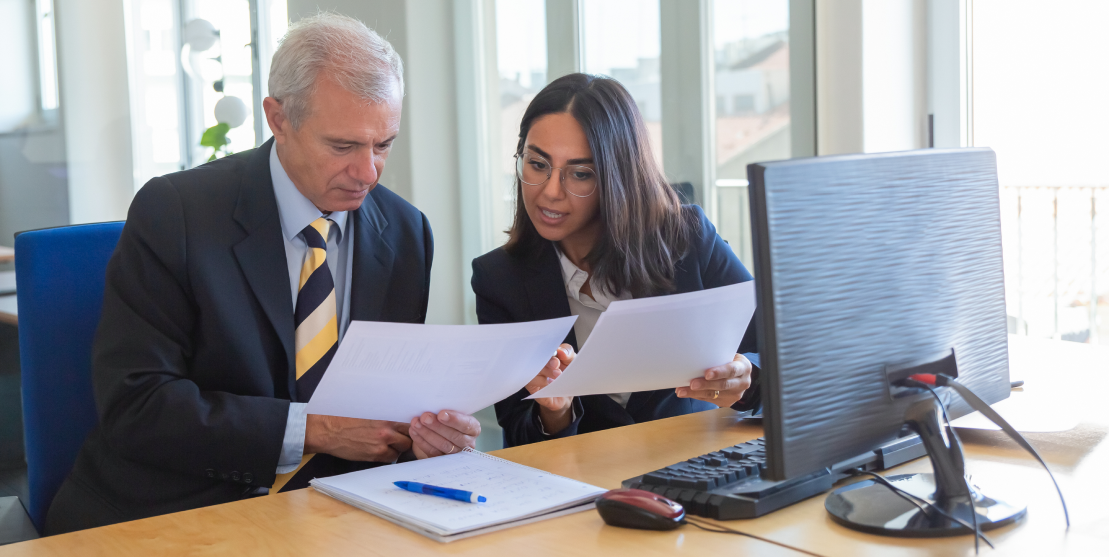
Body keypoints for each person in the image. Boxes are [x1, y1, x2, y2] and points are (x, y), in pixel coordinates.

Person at [45, 14, 478, 535]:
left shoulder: (405, 232)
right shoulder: (177, 213)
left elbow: (384, 399)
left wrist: (423, 435)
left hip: (334, 514)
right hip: (177, 510)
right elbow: (138, 406)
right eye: (342, 146)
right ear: (278, 118)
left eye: (383, 144)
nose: (367, 172)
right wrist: (313, 431)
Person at [471, 74, 760, 448]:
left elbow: (779, 353)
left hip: (695, 470)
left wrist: (746, 376)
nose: (550, 192)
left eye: (580, 173)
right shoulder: (499, 278)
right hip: (581, 488)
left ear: (617, 176)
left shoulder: (688, 238)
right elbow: (517, 431)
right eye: (537, 164)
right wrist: (555, 412)